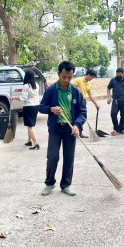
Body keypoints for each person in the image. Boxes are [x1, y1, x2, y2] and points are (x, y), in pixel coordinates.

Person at [39, 61, 87, 196]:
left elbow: (83, 112)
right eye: (64, 76)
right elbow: (41, 107)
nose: (66, 80)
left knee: (69, 157)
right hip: (55, 129)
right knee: (52, 157)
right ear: (58, 74)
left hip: (70, 129)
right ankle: (49, 183)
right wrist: (51, 109)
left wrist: (77, 125)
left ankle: (66, 185)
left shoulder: (75, 92)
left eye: (70, 77)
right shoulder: (51, 90)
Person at [10, 70, 40, 150]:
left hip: (29, 106)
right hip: (36, 105)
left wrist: (14, 97)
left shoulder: (26, 86)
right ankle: (29, 141)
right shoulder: (36, 85)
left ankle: (35, 143)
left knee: (30, 126)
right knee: (30, 125)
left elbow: (23, 98)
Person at [71, 69, 100, 138]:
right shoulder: (78, 80)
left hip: (83, 101)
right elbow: (71, 89)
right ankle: (73, 131)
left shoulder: (88, 84)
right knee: (74, 115)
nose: (92, 79)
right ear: (88, 75)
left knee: (82, 116)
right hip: (75, 100)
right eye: (92, 77)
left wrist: (96, 104)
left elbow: (90, 95)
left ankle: (80, 132)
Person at [106, 68, 124, 135]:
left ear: (122, 73)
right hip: (115, 101)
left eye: (119, 74)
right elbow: (108, 88)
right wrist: (109, 98)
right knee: (113, 114)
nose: (117, 75)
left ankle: (121, 129)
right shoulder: (113, 80)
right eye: (116, 74)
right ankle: (115, 129)